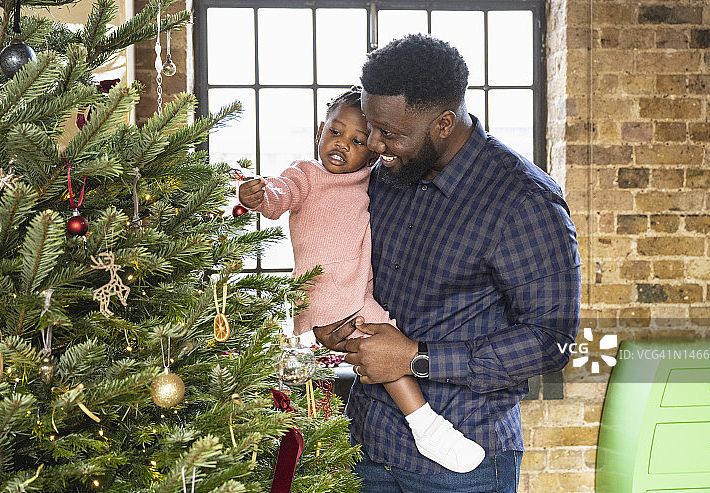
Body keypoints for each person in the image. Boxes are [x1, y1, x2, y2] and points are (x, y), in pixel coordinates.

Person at [313, 34, 582, 492]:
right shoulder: (382, 176)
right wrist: (331, 319)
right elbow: (344, 260)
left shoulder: (523, 202)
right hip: (365, 448)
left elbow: (551, 341)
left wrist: (416, 358)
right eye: (372, 128)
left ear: (443, 123)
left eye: (391, 134)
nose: (374, 145)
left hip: (462, 465)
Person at [238, 88, 485, 473]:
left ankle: (408, 428)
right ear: (320, 130)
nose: (341, 145)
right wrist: (258, 195)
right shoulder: (307, 175)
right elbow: (279, 196)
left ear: (372, 151)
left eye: (356, 141)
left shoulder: (370, 179)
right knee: (384, 346)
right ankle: (428, 427)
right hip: (328, 292)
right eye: (335, 132)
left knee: (384, 350)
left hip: (358, 288)